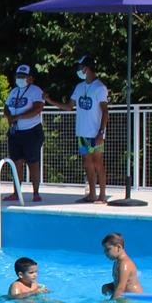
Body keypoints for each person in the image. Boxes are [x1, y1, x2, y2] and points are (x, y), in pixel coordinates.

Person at [60, 54, 110, 203]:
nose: (79, 70)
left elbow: (105, 111)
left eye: (80, 67)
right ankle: (92, 194)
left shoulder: (100, 87)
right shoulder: (80, 87)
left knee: (98, 162)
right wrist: (50, 101)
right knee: (87, 162)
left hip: (95, 132)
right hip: (82, 132)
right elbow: (70, 106)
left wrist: (101, 132)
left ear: (86, 68)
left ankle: (102, 195)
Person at [3, 64, 48, 202]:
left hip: (32, 132)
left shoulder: (35, 91)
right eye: (18, 76)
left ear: (31, 78)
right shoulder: (14, 91)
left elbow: (37, 108)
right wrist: (9, 116)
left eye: (23, 76)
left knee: (33, 162)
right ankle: (16, 192)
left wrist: (18, 117)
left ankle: (36, 192)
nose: (20, 79)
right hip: (15, 132)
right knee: (16, 162)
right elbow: (6, 107)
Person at [101, 233, 143, 298]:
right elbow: (119, 282)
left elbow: (120, 288)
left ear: (118, 247)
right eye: (104, 250)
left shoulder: (124, 264)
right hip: (126, 296)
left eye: (108, 249)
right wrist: (108, 286)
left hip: (134, 298)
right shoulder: (117, 262)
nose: (105, 253)